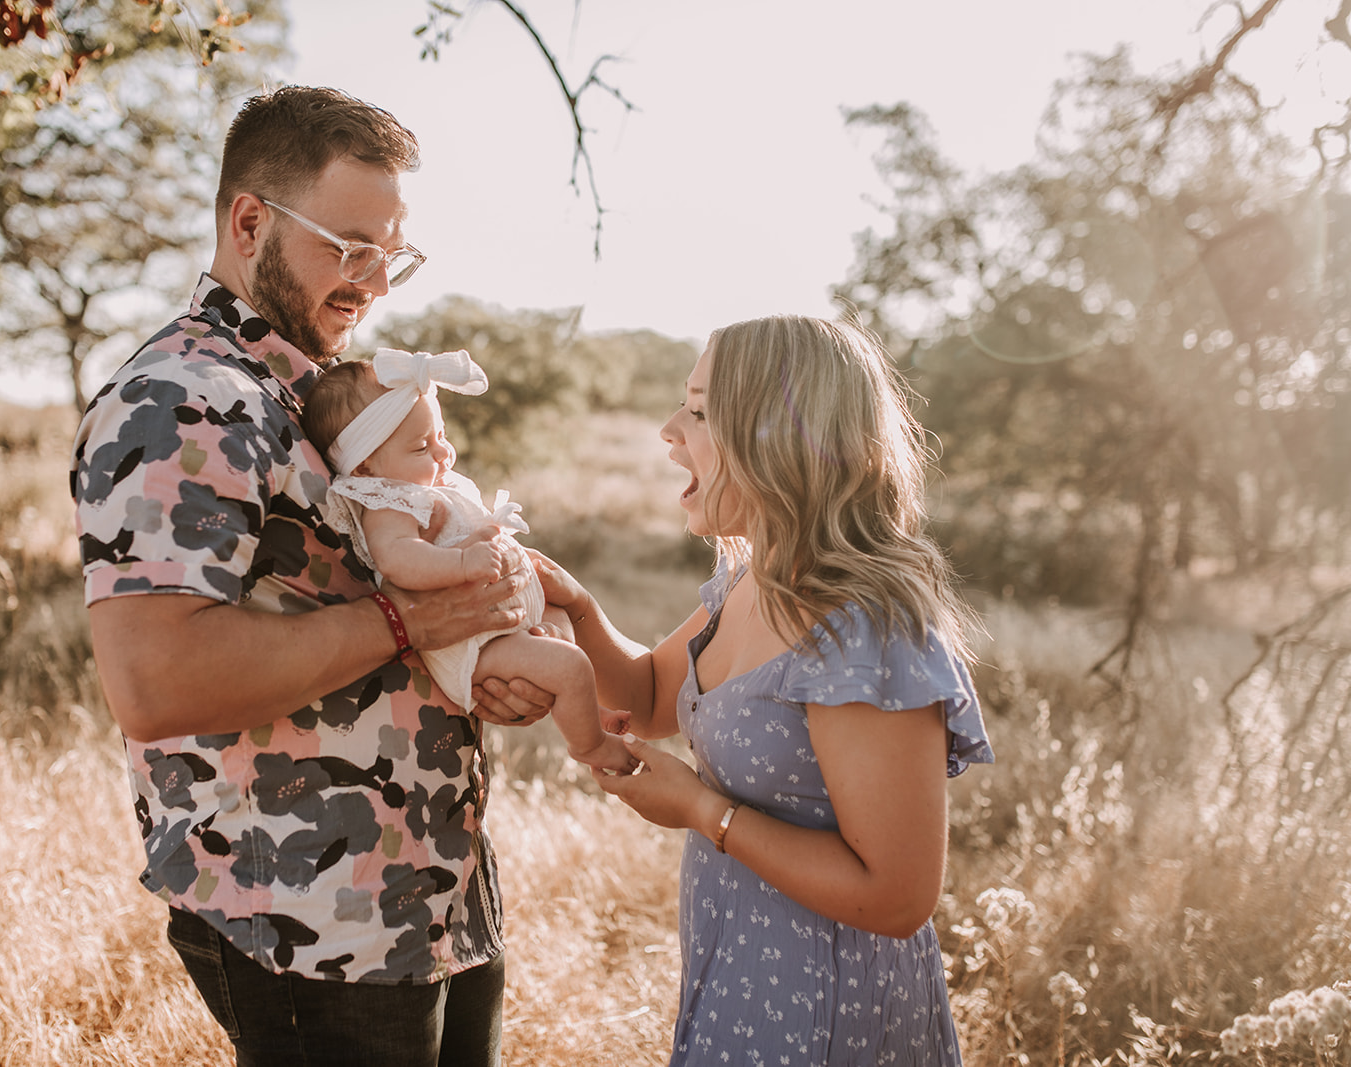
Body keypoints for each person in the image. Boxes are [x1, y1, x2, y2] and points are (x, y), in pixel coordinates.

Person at [70, 86, 558, 1067]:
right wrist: (412, 621)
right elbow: (157, 680)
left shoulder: (316, 388)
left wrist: (474, 652)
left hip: (430, 887)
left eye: (392, 253)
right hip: (307, 916)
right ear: (248, 221)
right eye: (349, 246)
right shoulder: (180, 396)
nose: (375, 280)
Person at [536, 315, 995, 1065]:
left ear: (778, 435)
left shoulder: (863, 631)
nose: (668, 429)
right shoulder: (751, 580)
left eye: (700, 410)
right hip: (741, 982)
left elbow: (899, 895)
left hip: (826, 1011)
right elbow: (652, 696)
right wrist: (579, 608)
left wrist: (698, 808)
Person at [301, 348, 637, 776]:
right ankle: (591, 746)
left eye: (441, 436)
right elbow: (399, 558)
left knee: (562, 631)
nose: (443, 454)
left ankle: (589, 709)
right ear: (366, 466)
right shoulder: (386, 502)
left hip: (502, 617)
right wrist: (462, 564)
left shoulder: (423, 484)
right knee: (570, 665)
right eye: (423, 446)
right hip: (472, 642)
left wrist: (483, 543)